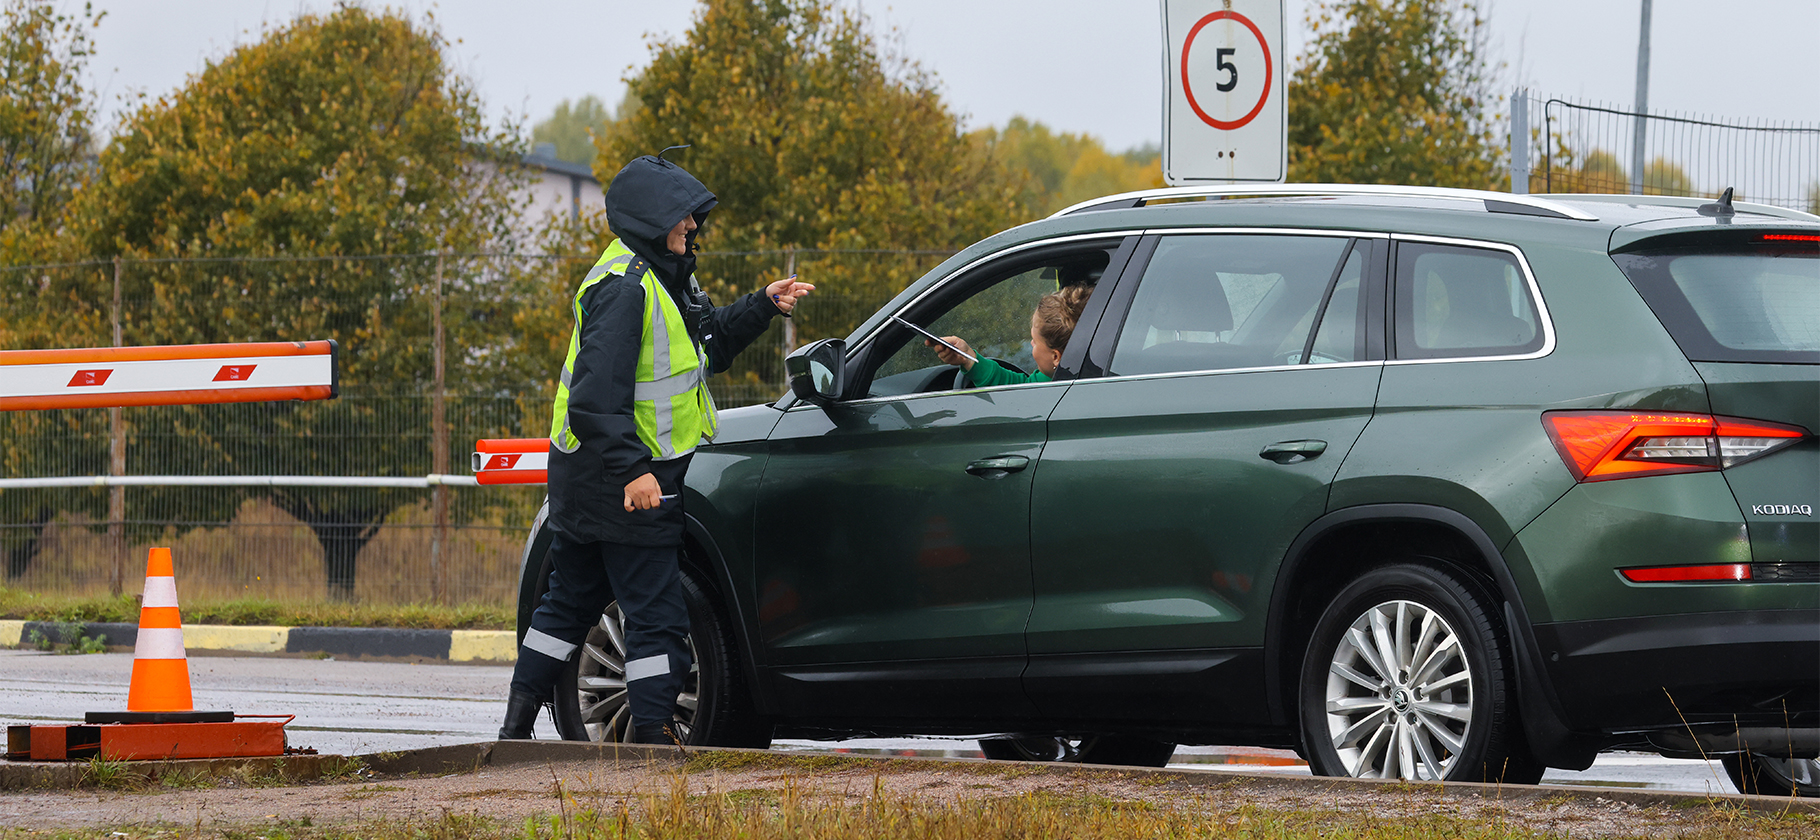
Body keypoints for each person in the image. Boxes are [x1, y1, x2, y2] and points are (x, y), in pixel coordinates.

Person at [499, 152, 813, 745]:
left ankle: (513, 731)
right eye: (683, 217)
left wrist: (761, 306)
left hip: (588, 478)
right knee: (655, 617)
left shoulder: (660, 277)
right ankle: (649, 742)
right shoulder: (626, 290)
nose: (692, 227)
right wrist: (634, 473)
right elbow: (595, 401)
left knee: (568, 604)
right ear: (650, 220)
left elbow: (707, 345)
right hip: (627, 484)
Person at [926, 284, 1092, 386]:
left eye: (1034, 341)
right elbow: (1025, 386)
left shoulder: (1053, 391)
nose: (1031, 345)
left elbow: (1025, 393)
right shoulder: (1094, 375)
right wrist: (968, 359)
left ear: (1056, 356)